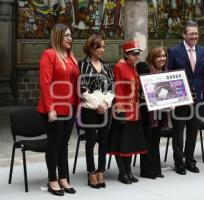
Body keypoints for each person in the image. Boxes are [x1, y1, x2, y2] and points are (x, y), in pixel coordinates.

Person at [37, 23, 78, 196]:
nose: (70, 38)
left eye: (71, 35)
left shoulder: (70, 56)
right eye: (67, 35)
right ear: (58, 36)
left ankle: (63, 178)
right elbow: (45, 84)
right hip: (54, 108)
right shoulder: (49, 55)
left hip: (69, 107)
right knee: (54, 144)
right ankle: (52, 179)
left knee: (64, 144)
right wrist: (50, 108)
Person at [167, 21, 204, 175]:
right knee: (178, 134)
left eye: (196, 33)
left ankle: (190, 161)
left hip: (198, 100)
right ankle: (179, 163)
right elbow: (169, 75)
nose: (194, 36)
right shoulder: (173, 51)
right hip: (180, 100)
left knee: (193, 132)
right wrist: (172, 99)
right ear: (184, 34)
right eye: (191, 33)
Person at [108, 41, 147, 184]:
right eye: (133, 54)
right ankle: (122, 172)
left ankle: (129, 171)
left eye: (138, 53)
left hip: (134, 111)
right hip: (124, 111)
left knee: (129, 144)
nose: (137, 56)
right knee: (121, 143)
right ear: (126, 54)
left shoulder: (134, 68)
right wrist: (120, 112)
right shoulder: (120, 67)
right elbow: (118, 90)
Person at [78, 34, 114, 188]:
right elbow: (82, 89)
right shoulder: (82, 65)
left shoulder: (106, 66)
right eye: (99, 47)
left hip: (105, 108)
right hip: (89, 109)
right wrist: (97, 104)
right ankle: (91, 172)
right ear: (91, 48)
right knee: (91, 140)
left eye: (104, 47)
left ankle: (101, 170)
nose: (102, 50)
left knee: (104, 140)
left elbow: (112, 87)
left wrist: (105, 103)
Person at [138, 47, 169, 179]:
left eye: (164, 56)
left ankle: (156, 169)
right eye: (159, 56)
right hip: (147, 112)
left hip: (160, 111)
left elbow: (166, 93)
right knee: (147, 140)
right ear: (152, 58)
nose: (162, 59)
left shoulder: (165, 73)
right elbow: (144, 93)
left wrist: (170, 101)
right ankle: (147, 171)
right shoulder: (146, 71)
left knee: (155, 140)